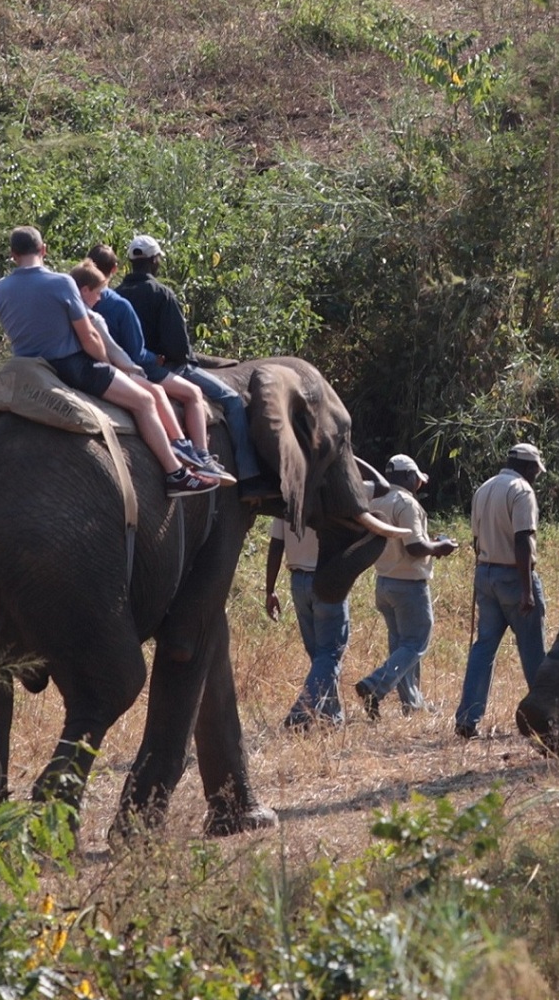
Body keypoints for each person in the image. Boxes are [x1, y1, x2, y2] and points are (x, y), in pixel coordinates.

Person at [0, 227, 223, 494]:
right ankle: (176, 473)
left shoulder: (2, 287)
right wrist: (107, 363)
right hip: (70, 366)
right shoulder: (61, 282)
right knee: (145, 400)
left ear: (13, 255)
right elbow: (89, 335)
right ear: (43, 249)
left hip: (26, 368)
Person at [118, 233, 260, 488]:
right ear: (154, 261)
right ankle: (248, 475)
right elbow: (178, 347)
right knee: (232, 400)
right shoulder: (162, 293)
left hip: (126, 369)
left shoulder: (115, 295)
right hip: (165, 367)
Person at [70, 261, 220, 469]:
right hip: (121, 366)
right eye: (98, 292)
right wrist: (145, 365)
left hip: (79, 366)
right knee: (183, 393)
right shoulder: (102, 313)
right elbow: (124, 352)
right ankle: (189, 452)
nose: (101, 297)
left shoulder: (65, 309)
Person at [455, 442, 548, 739]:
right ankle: (545, 713)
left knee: (483, 648)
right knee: (532, 647)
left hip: (485, 572)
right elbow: (522, 540)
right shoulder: (521, 491)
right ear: (527, 466)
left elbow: (476, 537)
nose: (536, 476)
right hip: (514, 575)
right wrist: (527, 591)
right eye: (536, 470)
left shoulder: (484, 488)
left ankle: (467, 718)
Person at [354, 454, 457, 718]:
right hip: (409, 584)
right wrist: (440, 547)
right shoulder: (406, 503)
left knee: (401, 648)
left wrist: (429, 544)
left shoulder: (376, 499)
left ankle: (412, 703)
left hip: (384, 581)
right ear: (409, 477)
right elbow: (414, 548)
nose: (418, 484)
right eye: (417, 479)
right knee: (415, 644)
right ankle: (374, 686)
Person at [265, 509, 348, 728]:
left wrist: (270, 590)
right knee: (330, 654)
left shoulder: (287, 499)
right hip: (327, 579)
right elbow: (380, 488)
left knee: (319, 656)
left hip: (298, 582)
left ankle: (332, 717)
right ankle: (301, 712)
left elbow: (276, 544)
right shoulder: (331, 494)